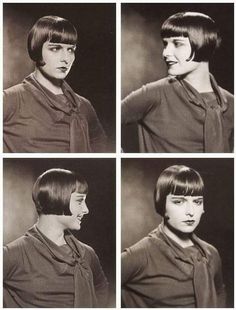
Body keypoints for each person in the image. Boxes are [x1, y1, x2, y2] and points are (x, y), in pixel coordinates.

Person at [121, 12, 234, 153]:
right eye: (165, 44)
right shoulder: (155, 93)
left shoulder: (231, 103)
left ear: (203, 44)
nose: (165, 53)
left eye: (177, 44)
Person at [122, 165, 226, 307]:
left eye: (197, 202)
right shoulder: (141, 254)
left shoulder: (211, 254)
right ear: (162, 205)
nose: (190, 211)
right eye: (179, 202)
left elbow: (219, 292)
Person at [3, 168, 109, 308]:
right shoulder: (14, 254)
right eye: (79, 201)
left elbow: (101, 286)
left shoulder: (87, 253)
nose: (86, 209)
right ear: (57, 198)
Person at [3, 15, 107, 153]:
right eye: (55, 48)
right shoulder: (11, 100)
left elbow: (101, 147)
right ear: (36, 49)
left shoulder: (84, 106)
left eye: (70, 49)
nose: (65, 58)